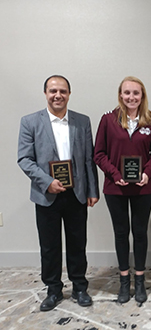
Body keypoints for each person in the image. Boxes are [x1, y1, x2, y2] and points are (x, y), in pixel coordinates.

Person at [17, 75, 99, 311]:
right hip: (46, 194)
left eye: (62, 91)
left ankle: (80, 287)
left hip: (77, 193)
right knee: (50, 246)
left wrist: (93, 190)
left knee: (77, 243)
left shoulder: (82, 122)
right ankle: (53, 290)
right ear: (45, 93)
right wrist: (47, 181)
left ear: (69, 94)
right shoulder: (30, 122)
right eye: (53, 91)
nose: (58, 95)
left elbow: (88, 160)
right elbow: (24, 159)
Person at [94, 76, 151, 303]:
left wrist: (147, 173)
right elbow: (98, 154)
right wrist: (115, 174)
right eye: (127, 93)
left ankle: (140, 280)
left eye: (136, 93)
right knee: (121, 233)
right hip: (115, 188)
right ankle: (124, 281)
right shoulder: (108, 120)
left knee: (140, 233)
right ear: (120, 95)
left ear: (142, 96)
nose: (131, 97)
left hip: (143, 188)